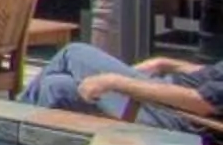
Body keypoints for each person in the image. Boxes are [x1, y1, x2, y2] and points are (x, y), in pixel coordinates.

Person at [21, 43, 223, 130]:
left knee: (73, 53)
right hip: (167, 98)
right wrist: (166, 63)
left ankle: (10, 126)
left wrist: (117, 82)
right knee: (55, 85)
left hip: (176, 115)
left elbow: (202, 102)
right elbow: (213, 74)